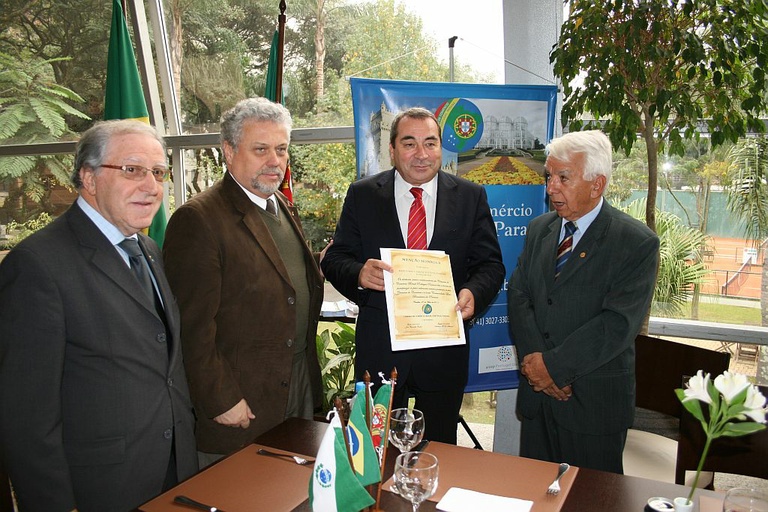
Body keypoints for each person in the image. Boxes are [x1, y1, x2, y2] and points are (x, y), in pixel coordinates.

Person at [0, 120, 197, 511]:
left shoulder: (146, 248)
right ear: (88, 177)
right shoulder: (37, 265)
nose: (151, 185)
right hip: (100, 487)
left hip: (173, 469)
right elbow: (25, 415)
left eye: (158, 172)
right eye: (132, 170)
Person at [321, 107, 505, 444]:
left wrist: (473, 293)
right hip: (381, 351)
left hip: (443, 352)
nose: (421, 154)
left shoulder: (470, 196)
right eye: (409, 144)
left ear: (441, 148)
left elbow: (490, 265)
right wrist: (359, 273)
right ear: (392, 150)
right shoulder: (363, 195)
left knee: (439, 451)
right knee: (377, 453)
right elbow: (335, 258)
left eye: (430, 143)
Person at [163, 97, 324, 467]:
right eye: (261, 149)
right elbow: (191, 327)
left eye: (281, 149)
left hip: (295, 385)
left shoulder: (280, 205)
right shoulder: (198, 220)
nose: (275, 160)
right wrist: (220, 399)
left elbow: (280, 276)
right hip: (241, 403)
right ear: (229, 151)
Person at [508, 129, 659, 473]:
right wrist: (537, 367)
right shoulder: (539, 230)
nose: (551, 188)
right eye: (549, 176)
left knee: (591, 502)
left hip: (592, 404)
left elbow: (617, 324)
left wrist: (554, 369)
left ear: (597, 184)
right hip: (537, 399)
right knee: (535, 494)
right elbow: (520, 296)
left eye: (563, 177)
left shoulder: (635, 242)